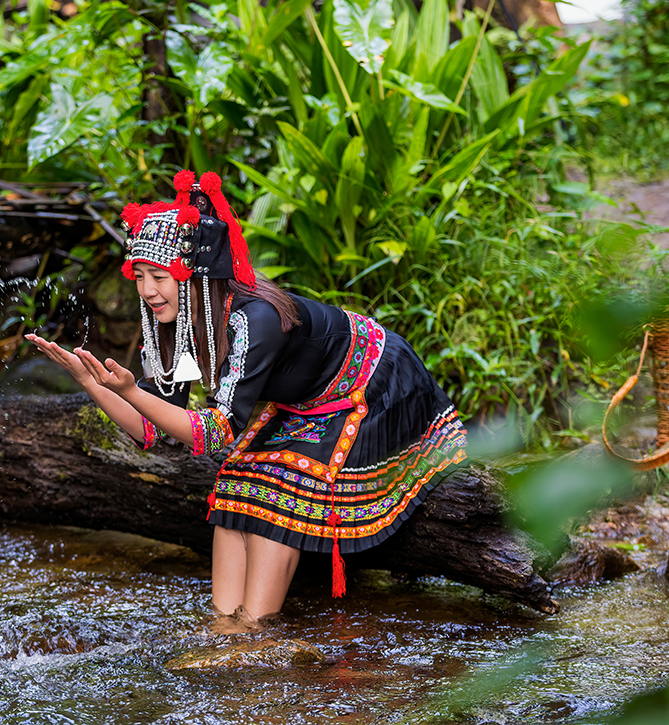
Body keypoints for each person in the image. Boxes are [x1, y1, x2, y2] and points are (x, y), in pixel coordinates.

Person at [27, 170, 468, 628]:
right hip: (303, 401)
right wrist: (93, 384)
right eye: (139, 276)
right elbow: (157, 429)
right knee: (236, 480)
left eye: (158, 276)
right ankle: (223, 628)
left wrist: (130, 389)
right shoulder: (178, 319)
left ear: (194, 276)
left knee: (280, 486)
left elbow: (213, 433)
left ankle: (255, 632)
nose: (147, 290)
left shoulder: (252, 319)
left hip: (371, 381)